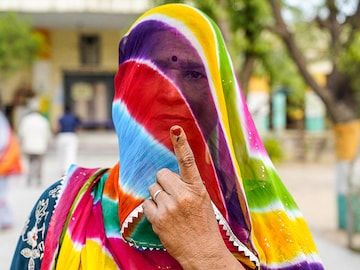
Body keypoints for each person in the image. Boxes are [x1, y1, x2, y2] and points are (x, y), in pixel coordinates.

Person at [10, 4, 324, 270]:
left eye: (193, 74)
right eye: (152, 72)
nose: (171, 93)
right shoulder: (64, 208)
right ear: (123, 90)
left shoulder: (267, 220)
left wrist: (209, 256)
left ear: (221, 97)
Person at [18, 98, 52, 186]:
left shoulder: (26, 120)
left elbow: (21, 133)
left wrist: (21, 143)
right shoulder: (43, 121)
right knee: (39, 164)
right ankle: (38, 179)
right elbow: (47, 134)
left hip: (28, 145)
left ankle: (29, 178)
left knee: (29, 163)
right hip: (40, 146)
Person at [0, 108, 23, 229]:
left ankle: (5, 219)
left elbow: (3, 142)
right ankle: (6, 219)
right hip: (3, 163)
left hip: (2, 163)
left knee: (1, 194)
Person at [56, 105, 81, 174]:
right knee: (71, 153)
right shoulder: (73, 117)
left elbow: (58, 127)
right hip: (71, 135)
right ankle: (71, 168)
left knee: (62, 154)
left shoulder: (61, 118)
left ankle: (63, 169)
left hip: (62, 136)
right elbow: (77, 126)